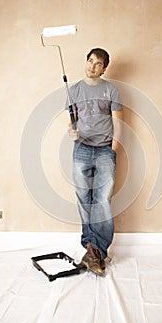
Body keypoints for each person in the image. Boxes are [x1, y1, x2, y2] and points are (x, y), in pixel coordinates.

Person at [67, 48, 123, 276]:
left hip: (104, 150)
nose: (92, 66)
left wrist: (113, 150)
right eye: (90, 61)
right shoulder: (73, 90)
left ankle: (97, 249)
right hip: (81, 149)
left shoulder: (111, 90)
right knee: (83, 197)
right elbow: (70, 123)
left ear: (104, 68)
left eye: (98, 64)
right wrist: (71, 132)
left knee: (102, 200)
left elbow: (119, 123)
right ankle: (92, 249)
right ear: (86, 62)